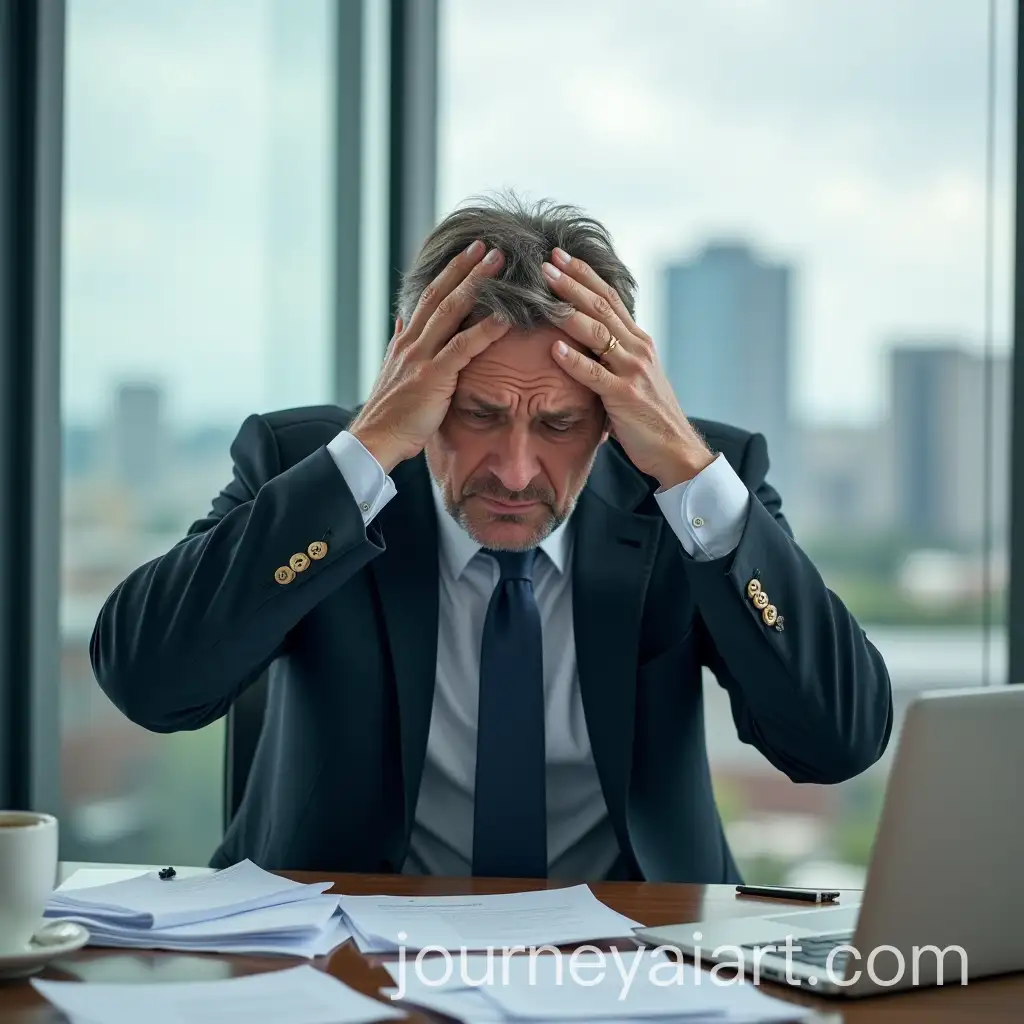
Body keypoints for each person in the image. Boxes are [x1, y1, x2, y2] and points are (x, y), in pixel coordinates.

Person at [91, 193, 892, 883]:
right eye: (476, 414)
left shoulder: (696, 488)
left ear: (614, 409)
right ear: (412, 372)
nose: (515, 472)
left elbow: (837, 742)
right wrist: (364, 455)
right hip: (343, 952)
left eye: (558, 423)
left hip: (636, 949)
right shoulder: (304, 469)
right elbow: (149, 683)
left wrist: (688, 473)